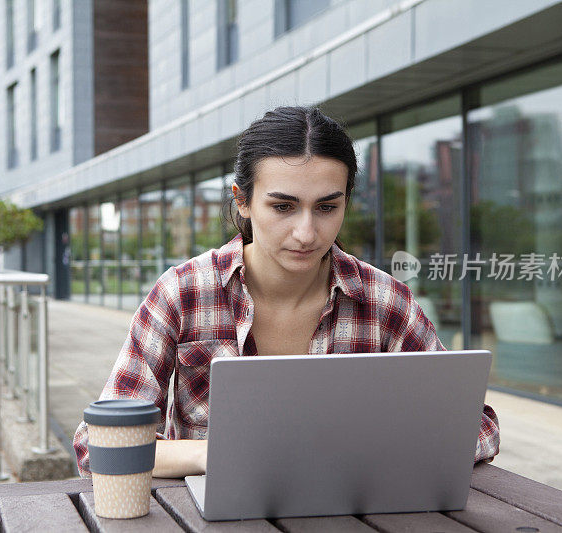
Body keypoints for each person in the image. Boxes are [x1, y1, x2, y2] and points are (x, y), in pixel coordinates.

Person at [73, 106, 500, 478]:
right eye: (283, 207)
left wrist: (371, 451)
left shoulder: (385, 302)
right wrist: (221, 454)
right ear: (242, 200)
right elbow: (100, 445)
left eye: (327, 207)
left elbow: (479, 427)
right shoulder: (183, 294)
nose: (307, 232)